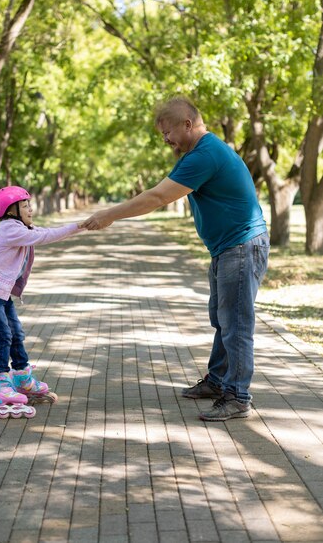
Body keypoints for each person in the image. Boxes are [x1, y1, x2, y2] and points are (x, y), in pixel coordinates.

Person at [82, 97, 269, 422]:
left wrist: (109, 215)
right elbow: (161, 190)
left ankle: (237, 396)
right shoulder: (200, 153)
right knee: (223, 319)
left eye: (168, 132)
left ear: (187, 123)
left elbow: (157, 196)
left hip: (240, 245)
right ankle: (217, 381)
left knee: (235, 323)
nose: (166, 139)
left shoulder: (206, 154)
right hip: (228, 247)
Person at [0, 185, 84, 417]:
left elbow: (43, 231)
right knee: (4, 334)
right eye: (25, 206)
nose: (30, 209)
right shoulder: (10, 229)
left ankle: (22, 376)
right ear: (11, 211)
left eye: (29, 205)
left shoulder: (21, 227)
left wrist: (79, 227)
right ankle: (1, 384)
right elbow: (45, 236)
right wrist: (78, 226)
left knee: (16, 332)